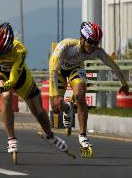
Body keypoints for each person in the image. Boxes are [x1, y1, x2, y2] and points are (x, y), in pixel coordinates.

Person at [0, 0, 70, 163]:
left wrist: (3, 86)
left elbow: (13, 80)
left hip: (18, 75)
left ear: (10, 47)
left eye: (4, 53)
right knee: (7, 96)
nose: (1, 55)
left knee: (38, 111)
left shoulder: (20, 51)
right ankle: (11, 138)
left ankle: (49, 134)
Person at [49, 21, 129, 157]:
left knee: (80, 95)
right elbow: (53, 71)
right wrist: (57, 94)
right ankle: (68, 108)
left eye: (96, 43)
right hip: (58, 71)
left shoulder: (97, 51)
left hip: (76, 69)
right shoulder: (66, 46)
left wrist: (124, 83)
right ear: (82, 38)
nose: (93, 46)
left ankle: (83, 136)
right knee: (56, 107)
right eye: (90, 41)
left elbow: (113, 65)